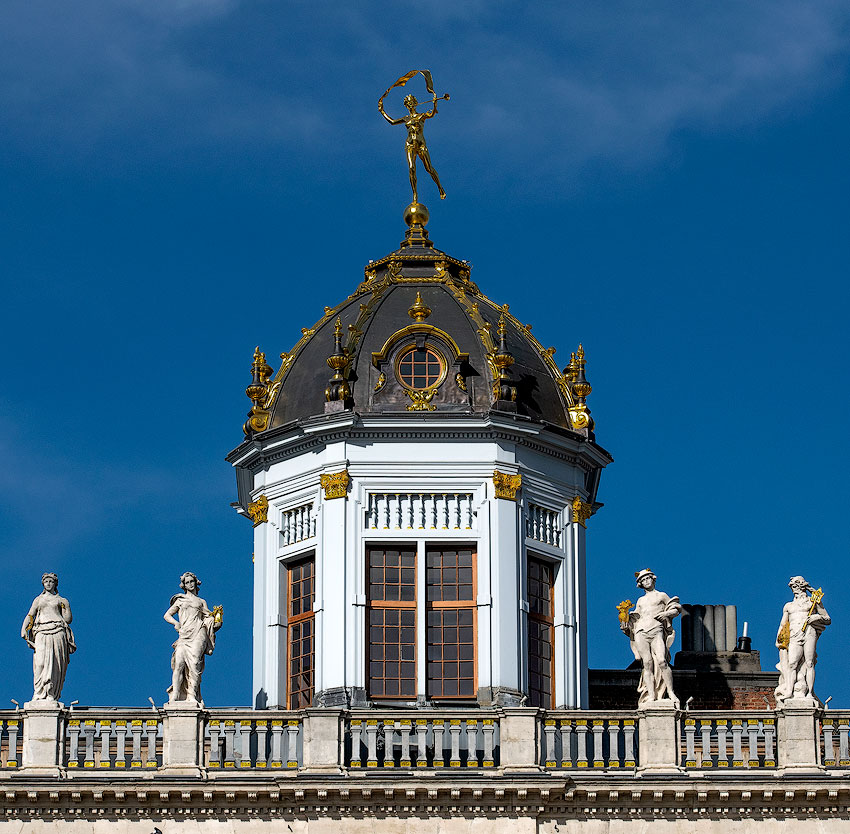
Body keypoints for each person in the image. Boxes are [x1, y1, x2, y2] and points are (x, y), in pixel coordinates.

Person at [619, 568, 681, 707]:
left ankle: (670, 692)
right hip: (641, 631)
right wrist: (626, 624)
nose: (646, 581)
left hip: (656, 629)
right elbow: (635, 618)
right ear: (640, 584)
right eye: (643, 580)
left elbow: (676, 608)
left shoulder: (661, 595)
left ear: (653, 579)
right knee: (647, 664)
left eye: (648, 578)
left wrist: (666, 614)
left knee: (661, 661)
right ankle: (651, 696)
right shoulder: (640, 600)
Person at [163, 572, 223, 705]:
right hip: (184, 634)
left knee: (195, 663)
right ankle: (176, 696)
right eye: (187, 582)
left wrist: (217, 620)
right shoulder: (180, 600)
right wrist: (176, 623)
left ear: (196, 583)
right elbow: (167, 615)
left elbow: (209, 618)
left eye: (192, 582)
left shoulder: (201, 602)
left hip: (198, 632)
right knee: (179, 664)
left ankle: (192, 696)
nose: (190, 584)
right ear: (183, 585)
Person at [378, 93, 446, 204]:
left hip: (421, 144)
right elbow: (392, 122)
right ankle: (415, 194)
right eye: (407, 103)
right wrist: (382, 111)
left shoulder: (421, 116)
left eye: (411, 102)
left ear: (415, 103)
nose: (409, 104)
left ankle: (440, 187)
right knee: (411, 168)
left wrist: (435, 104)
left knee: (428, 168)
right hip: (410, 144)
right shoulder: (406, 118)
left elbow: (432, 114)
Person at [21, 572, 76, 703]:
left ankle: (51, 693)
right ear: (43, 584)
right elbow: (30, 615)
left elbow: (68, 619)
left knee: (55, 665)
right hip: (41, 632)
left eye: (51, 582)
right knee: (40, 663)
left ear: (55, 584)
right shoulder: (38, 600)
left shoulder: (62, 600)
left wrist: (65, 607)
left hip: (58, 632)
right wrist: (23, 628)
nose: (48, 584)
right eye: (46, 582)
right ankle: (39, 693)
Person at [774, 576, 830, 705]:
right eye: (793, 587)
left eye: (797, 587)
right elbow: (783, 624)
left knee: (809, 663)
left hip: (809, 633)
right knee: (792, 664)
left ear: (802, 587)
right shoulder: (789, 606)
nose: (795, 590)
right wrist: (779, 639)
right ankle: (789, 690)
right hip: (794, 635)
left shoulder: (812, 602)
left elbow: (827, 618)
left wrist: (816, 617)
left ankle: (810, 693)